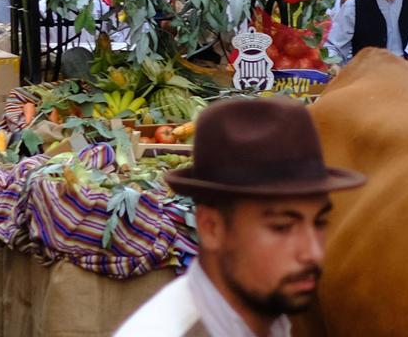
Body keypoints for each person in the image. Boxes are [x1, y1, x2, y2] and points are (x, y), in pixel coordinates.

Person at [115, 97, 365, 337]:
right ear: (211, 227)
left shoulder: (267, 314)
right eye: (282, 227)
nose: (313, 253)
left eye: (320, 222)